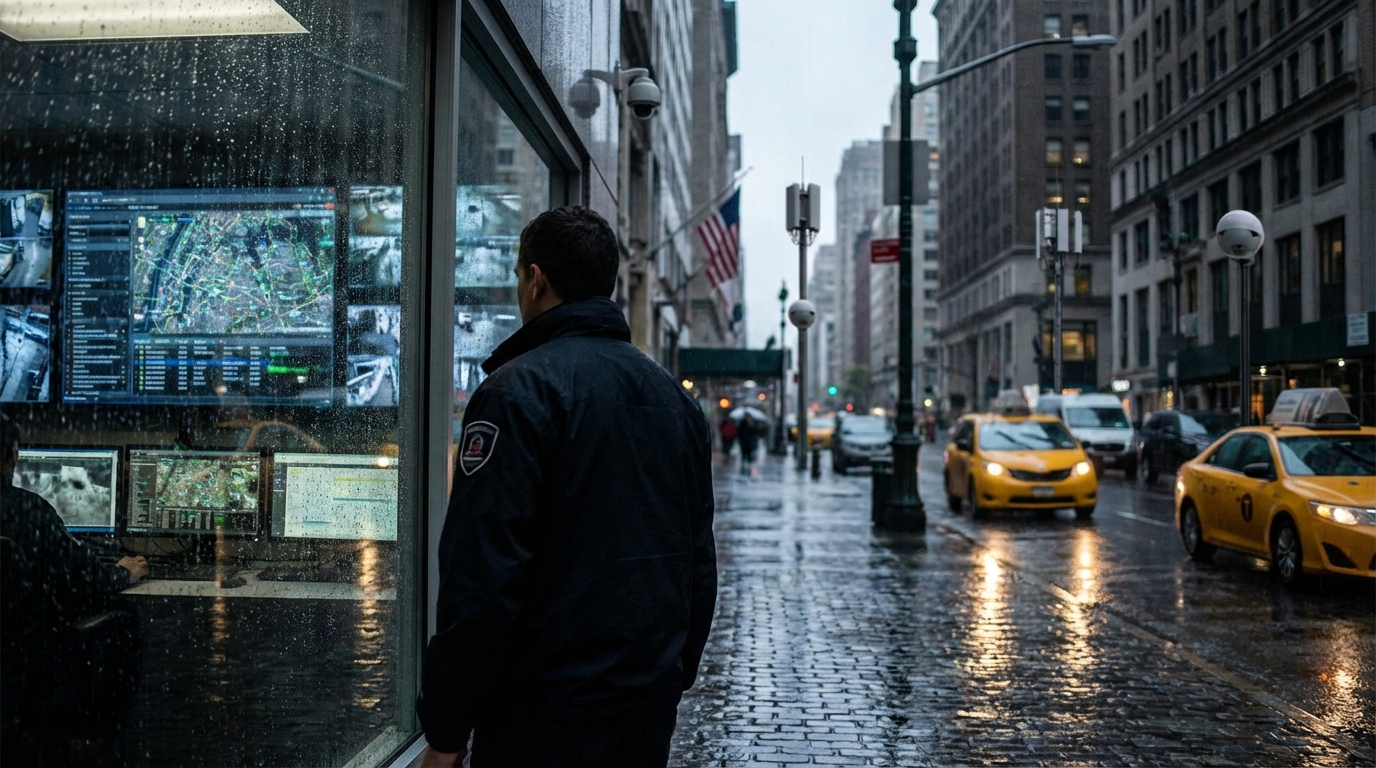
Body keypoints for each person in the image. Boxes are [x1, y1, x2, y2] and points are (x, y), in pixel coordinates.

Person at [417, 207, 717, 768]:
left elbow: (482, 577)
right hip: (643, 712)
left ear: (536, 280)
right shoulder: (677, 403)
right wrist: (668, 677)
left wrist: (447, 731)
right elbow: (698, 563)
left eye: (517, 277)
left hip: (539, 717)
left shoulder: (514, 394)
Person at [1, 412, 149, 763]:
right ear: (13, 456)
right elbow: (84, 579)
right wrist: (124, 572)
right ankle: (96, 739)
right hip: (25, 660)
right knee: (124, 618)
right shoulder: (29, 511)